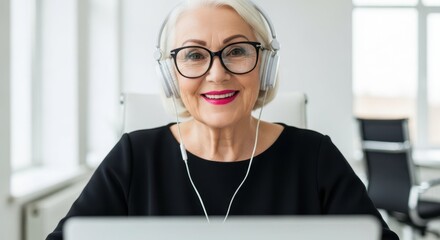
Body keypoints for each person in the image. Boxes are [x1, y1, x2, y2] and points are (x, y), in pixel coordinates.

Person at [46, 0, 399, 239]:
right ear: (171, 75)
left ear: (266, 65)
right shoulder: (134, 157)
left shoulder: (316, 157)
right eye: (195, 55)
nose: (217, 74)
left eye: (238, 51)